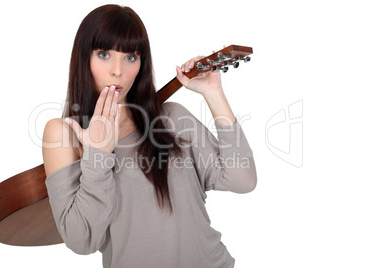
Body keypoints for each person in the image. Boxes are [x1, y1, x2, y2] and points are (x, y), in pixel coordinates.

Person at [42, 4, 257, 268]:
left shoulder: (172, 117)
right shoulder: (65, 133)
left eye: (130, 57)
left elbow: (243, 180)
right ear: (83, 58)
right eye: (103, 54)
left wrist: (214, 94)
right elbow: (81, 241)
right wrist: (98, 154)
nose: (117, 71)